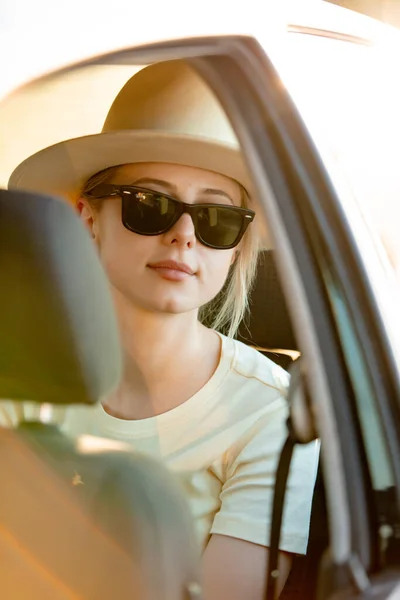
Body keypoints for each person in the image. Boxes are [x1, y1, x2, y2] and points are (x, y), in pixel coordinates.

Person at [5, 60, 319, 599]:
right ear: (87, 218)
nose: (182, 235)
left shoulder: (272, 413)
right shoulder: (16, 384)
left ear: (237, 246)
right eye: (149, 205)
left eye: (215, 219)